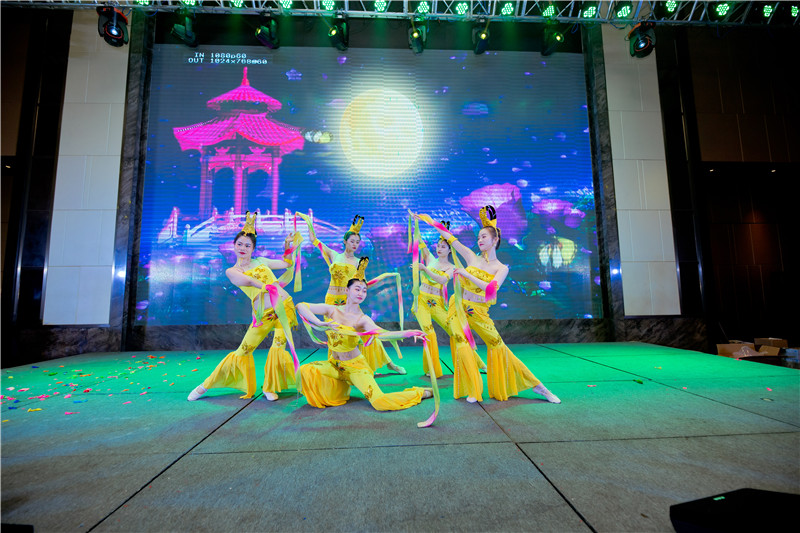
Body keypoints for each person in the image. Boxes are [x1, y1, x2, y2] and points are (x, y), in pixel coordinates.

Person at [415, 206, 561, 404]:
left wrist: (467, 275)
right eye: (478, 237)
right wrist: (427, 219)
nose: (480, 240)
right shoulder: (471, 257)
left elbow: (491, 290)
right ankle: (473, 389)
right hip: (458, 307)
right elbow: (450, 237)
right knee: (461, 343)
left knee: (497, 344)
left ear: (495, 240)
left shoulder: (501, 268)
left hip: (478, 311)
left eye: (484, 236)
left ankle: (538, 386)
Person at [188, 211, 300, 402]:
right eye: (239, 244)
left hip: (284, 308)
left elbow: (286, 263)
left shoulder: (261, 261)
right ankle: (205, 386)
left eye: (247, 245)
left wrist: (287, 246)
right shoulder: (232, 271)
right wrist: (268, 287)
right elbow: (249, 281)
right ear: (234, 246)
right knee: (243, 350)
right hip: (264, 314)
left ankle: (269, 387)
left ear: (253, 249)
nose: (243, 248)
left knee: (278, 348)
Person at [296, 258, 433, 411]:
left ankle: (422, 392)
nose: (361, 293)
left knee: (380, 403)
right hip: (335, 365)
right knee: (305, 369)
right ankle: (337, 391)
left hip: (355, 368)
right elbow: (301, 306)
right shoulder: (331, 310)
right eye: (357, 289)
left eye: (364, 291)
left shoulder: (362, 319)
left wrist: (408, 332)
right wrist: (320, 323)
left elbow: (382, 334)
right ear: (347, 290)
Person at [308, 214, 406, 375]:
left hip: (349, 303)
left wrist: (379, 277)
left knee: (366, 332)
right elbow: (314, 239)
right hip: (331, 301)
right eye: (352, 241)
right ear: (345, 241)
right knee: (335, 333)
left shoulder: (359, 262)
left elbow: (361, 285)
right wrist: (308, 221)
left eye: (357, 242)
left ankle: (389, 363)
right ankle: (339, 366)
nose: (355, 245)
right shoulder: (334, 255)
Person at [411, 221, 486, 378]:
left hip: (437, 303)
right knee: (429, 333)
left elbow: (441, 280)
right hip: (421, 302)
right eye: (438, 246)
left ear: (450, 250)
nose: (439, 249)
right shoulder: (430, 259)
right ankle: (431, 369)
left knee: (456, 331)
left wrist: (424, 270)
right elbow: (419, 240)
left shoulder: (452, 268)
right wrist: (415, 222)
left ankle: (478, 363)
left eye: (443, 246)